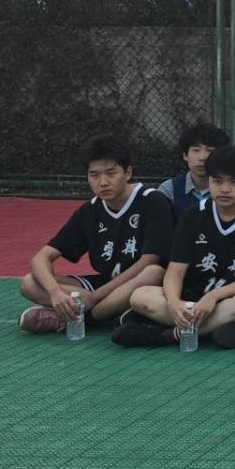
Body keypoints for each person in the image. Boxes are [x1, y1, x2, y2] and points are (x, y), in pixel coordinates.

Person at [120, 144, 235, 349]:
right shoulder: (193, 215)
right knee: (140, 296)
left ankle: (170, 334)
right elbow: (175, 271)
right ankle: (232, 328)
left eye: (234, 182)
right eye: (217, 181)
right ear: (209, 180)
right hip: (196, 298)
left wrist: (214, 296)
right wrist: (174, 302)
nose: (224, 189)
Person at [18, 135, 174, 334]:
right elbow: (41, 258)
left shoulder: (153, 201)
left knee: (153, 272)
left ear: (127, 173)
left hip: (138, 285)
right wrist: (55, 293)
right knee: (29, 283)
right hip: (105, 284)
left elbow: (149, 261)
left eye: (111, 173)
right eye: (94, 175)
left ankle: (82, 317)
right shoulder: (89, 211)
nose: (103, 182)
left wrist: (95, 297)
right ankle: (90, 311)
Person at [157, 120, 231, 215]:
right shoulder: (169, 189)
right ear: (185, 155)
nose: (202, 157)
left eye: (210, 151)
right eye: (196, 150)